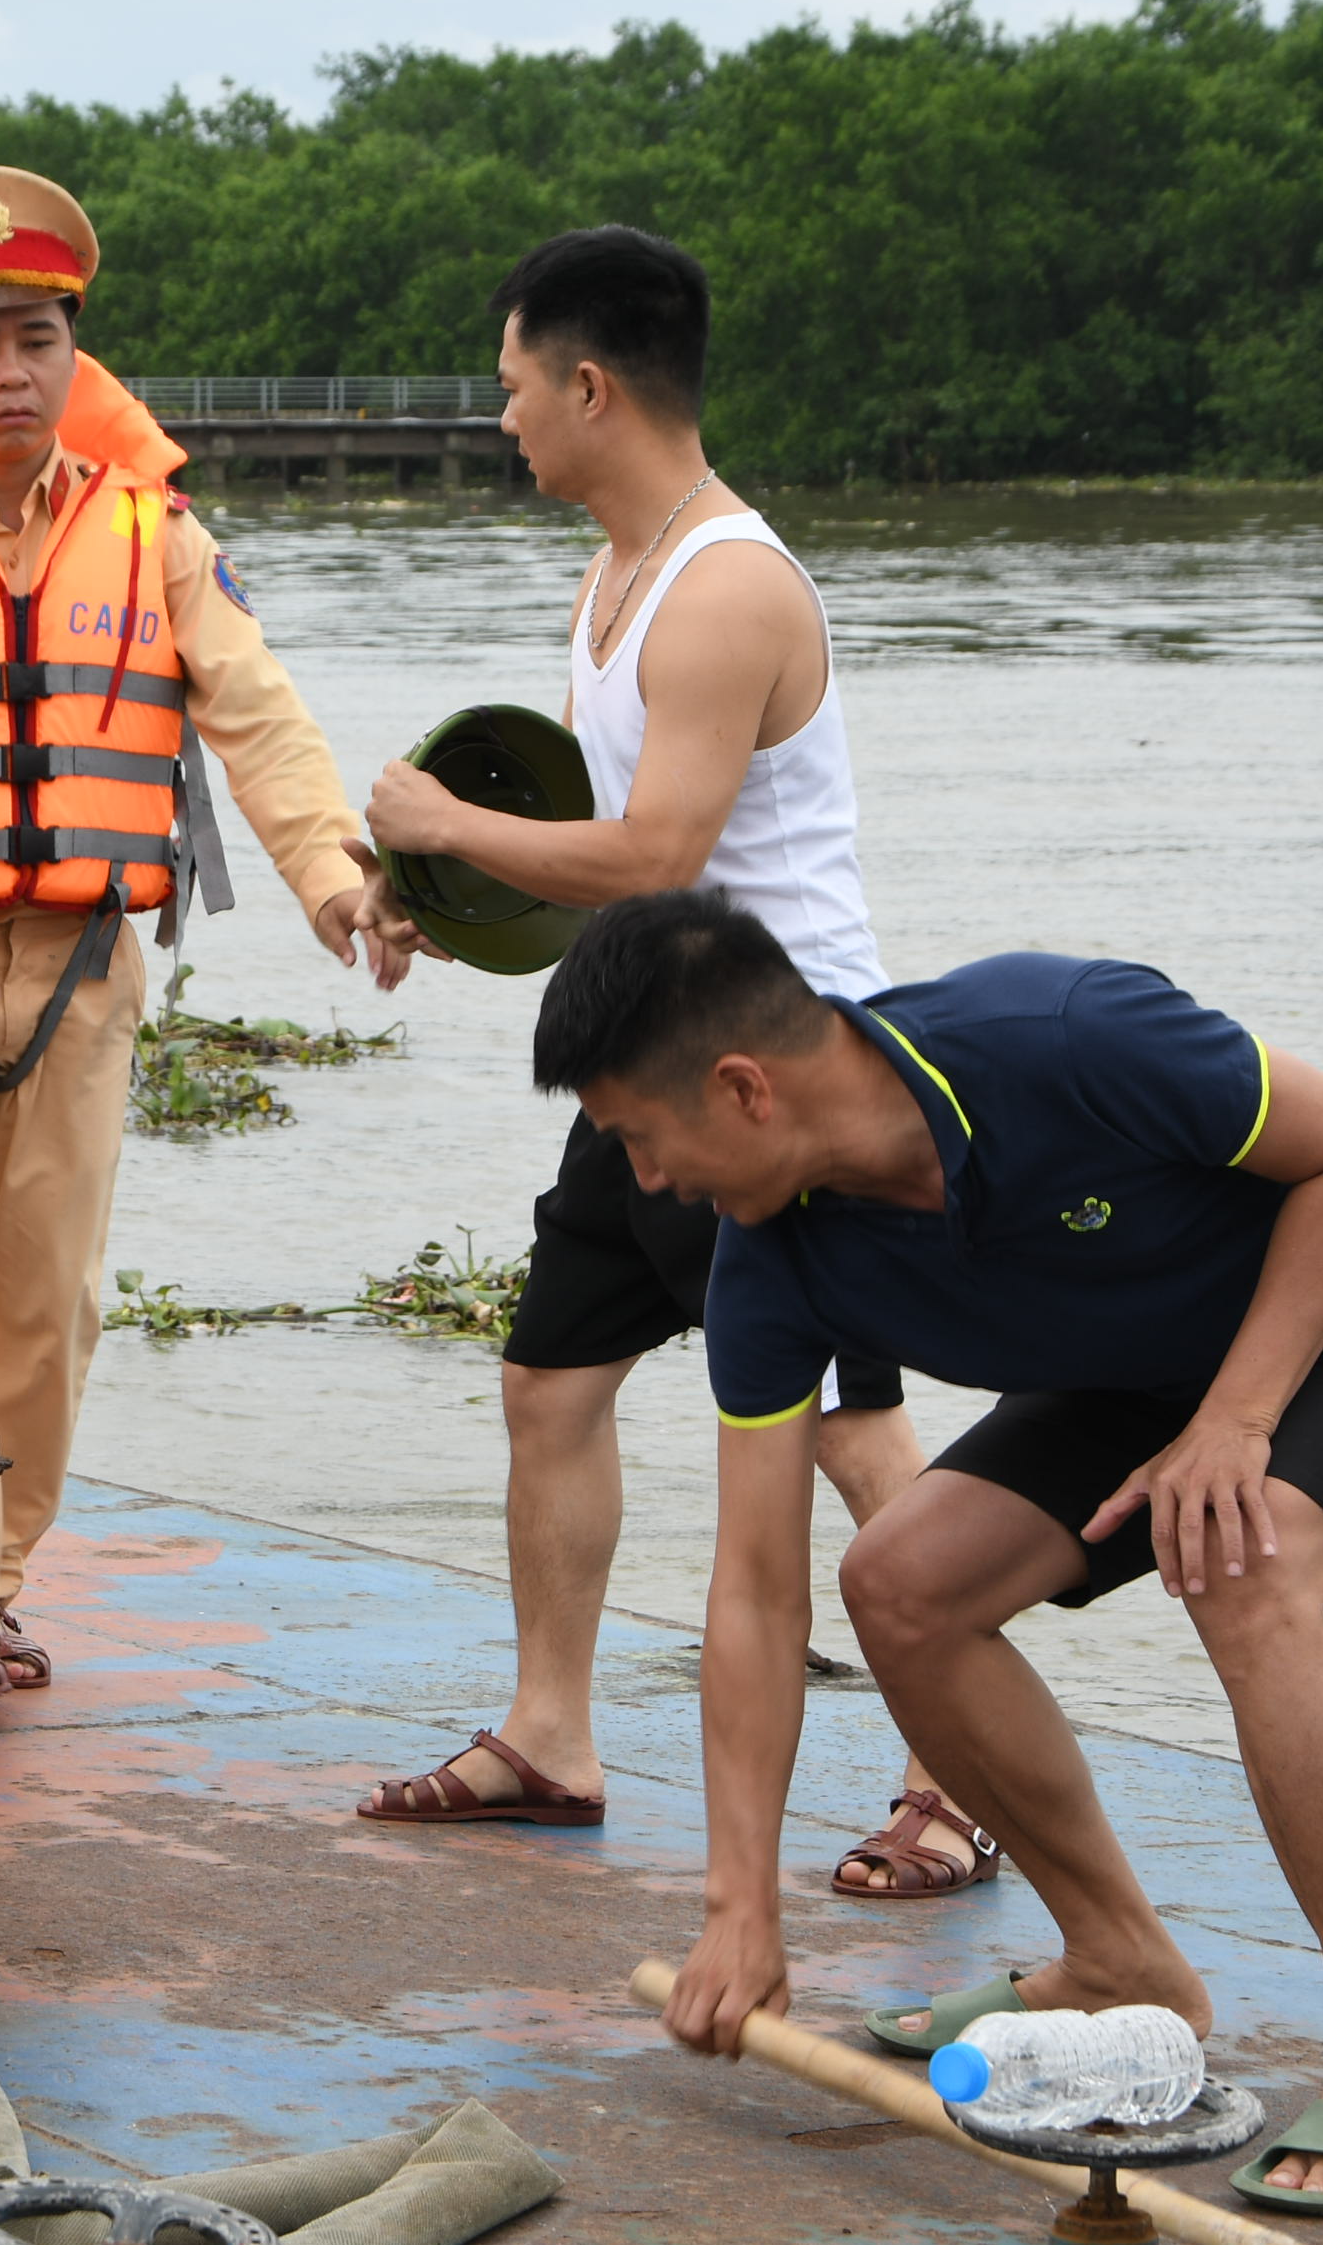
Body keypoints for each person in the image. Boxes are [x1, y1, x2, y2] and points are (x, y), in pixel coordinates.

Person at [563, 893, 1323, 2215]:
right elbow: (753, 1592)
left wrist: (1235, 1424)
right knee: (899, 1587)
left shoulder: (1064, 1033)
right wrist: (741, 1906)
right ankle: (1119, 1961)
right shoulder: (769, 1264)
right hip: (1147, 1366)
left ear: (743, 1087)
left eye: (640, 1137)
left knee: (1239, 1557)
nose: (646, 1182)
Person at [350, 227, 971, 1897]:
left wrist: (437, 817)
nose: (499, 419)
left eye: (510, 388)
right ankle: (551, 1735)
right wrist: (418, 889)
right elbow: (581, 857)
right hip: (647, 1064)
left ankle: (957, 1782)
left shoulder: (727, 585)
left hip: (780, 1080)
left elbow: (658, 854)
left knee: (847, 1430)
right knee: (550, 1382)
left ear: (589, 386)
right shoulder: (615, 571)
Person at [0, 168, 416, 1716]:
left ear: (74, 352)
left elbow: (259, 717)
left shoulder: (154, 532)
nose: (10, 374)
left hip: (83, 966)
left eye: (37, 340)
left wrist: (336, 881)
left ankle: (2, 1571)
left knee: (51, 1297)